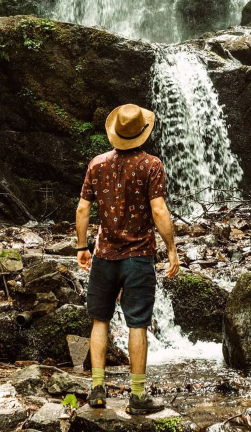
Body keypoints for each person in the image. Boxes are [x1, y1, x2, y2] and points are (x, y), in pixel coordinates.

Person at [75, 103, 180, 415]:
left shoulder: (97, 164)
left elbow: (82, 209)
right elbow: (159, 210)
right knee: (137, 324)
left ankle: (97, 389)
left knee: (99, 320)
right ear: (142, 133)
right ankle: (137, 396)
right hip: (139, 257)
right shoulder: (151, 165)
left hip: (104, 255)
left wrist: (82, 246)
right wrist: (171, 248)